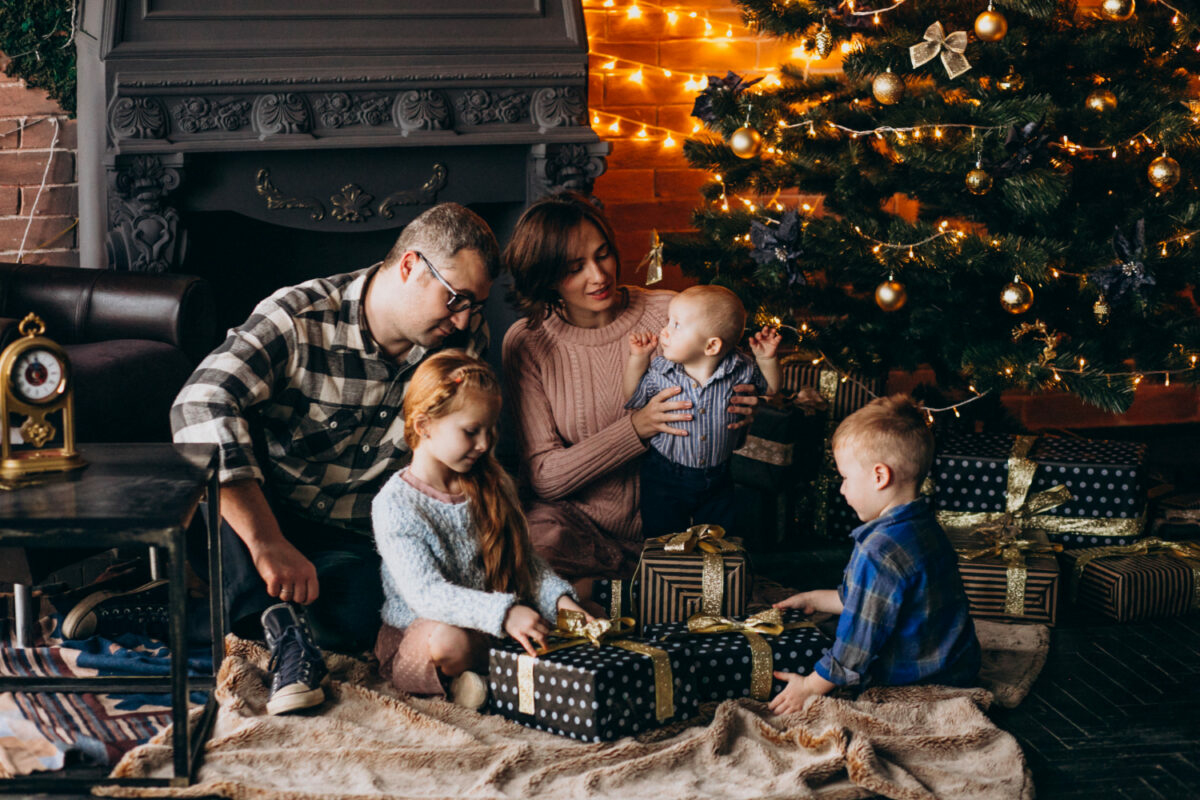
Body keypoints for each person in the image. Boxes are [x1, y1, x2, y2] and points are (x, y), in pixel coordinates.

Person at [170, 203, 500, 715]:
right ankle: (287, 639)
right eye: (455, 299)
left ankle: (173, 614)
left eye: (474, 305)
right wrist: (266, 541)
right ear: (410, 266)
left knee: (366, 616)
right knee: (213, 483)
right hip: (257, 522)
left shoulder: (461, 341)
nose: (463, 319)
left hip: (353, 540)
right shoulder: (298, 317)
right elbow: (198, 403)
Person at [501, 191, 760, 595]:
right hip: (574, 527)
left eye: (602, 254)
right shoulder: (528, 342)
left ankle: (627, 592)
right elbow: (544, 476)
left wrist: (739, 418)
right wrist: (637, 427)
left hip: (671, 518)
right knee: (528, 556)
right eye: (574, 268)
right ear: (545, 276)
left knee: (715, 577)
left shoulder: (669, 313)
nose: (598, 275)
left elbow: (721, 424)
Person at [372, 351, 589, 709]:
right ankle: (487, 671)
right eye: (471, 431)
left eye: (490, 430)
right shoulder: (395, 504)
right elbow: (426, 594)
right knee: (450, 643)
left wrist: (559, 602)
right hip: (426, 630)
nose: (485, 444)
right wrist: (505, 614)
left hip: (492, 622)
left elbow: (525, 563)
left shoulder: (490, 484)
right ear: (424, 426)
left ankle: (491, 676)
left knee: (585, 606)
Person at [768, 395, 980, 715]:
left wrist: (810, 686)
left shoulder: (880, 552)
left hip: (914, 678)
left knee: (828, 645)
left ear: (879, 476)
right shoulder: (924, 525)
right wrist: (813, 599)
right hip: (957, 665)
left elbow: (856, 644)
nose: (841, 489)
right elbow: (877, 601)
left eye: (845, 478)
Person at [622, 284, 781, 537]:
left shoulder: (741, 368)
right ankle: (667, 562)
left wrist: (767, 359)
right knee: (664, 537)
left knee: (717, 538)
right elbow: (632, 397)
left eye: (676, 325)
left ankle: (712, 563)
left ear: (711, 346)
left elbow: (770, 389)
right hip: (665, 473)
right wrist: (638, 359)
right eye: (668, 321)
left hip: (719, 474)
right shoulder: (662, 371)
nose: (664, 331)